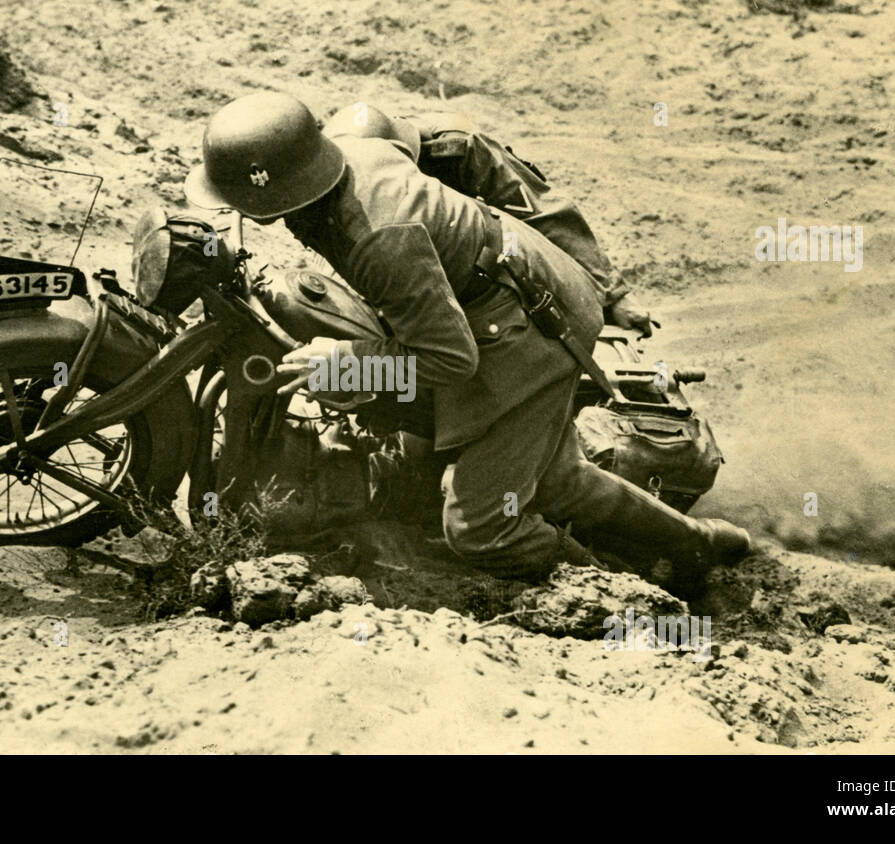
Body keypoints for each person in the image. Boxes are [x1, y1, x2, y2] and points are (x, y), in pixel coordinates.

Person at [184, 91, 750, 585]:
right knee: (557, 482)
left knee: (479, 527)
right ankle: (698, 542)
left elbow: (449, 358)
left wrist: (345, 364)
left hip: (530, 337)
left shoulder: (381, 239)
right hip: (514, 293)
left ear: (270, 197)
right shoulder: (350, 150)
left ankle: (602, 588)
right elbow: (457, 148)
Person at [319, 101, 653, 336]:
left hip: (507, 267)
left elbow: (542, 210)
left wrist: (613, 294)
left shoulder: (456, 145)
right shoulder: (335, 166)